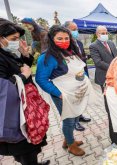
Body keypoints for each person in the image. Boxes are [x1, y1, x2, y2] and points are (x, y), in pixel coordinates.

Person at [36, 25, 94, 156]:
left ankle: (67, 140)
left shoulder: (70, 52)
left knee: (76, 116)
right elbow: (41, 79)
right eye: (60, 38)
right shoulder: (47, 57)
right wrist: (59, 94)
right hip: (63, 95)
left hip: (76, 93)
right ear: (51, 39)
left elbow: (77, 70)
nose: (64, 41)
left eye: (66, 38)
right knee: (69, 120)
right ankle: (71, 146)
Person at [0, 18, 49, 165]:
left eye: (18, 38)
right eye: (13, 39)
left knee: (31, 144)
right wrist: (23, 76)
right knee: (24, 147)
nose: (17, 41)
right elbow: (3, 87)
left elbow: (20, 66)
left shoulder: (6, 52)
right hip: (14, 113)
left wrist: (25, 55)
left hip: (25, 106)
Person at [64, 21, 91, 131]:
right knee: (74, 100)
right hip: (72, 77)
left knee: (81, 98)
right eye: (73, 29)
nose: (76, 32)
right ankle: (75, 122)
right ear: (67, 30)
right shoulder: (66, 44)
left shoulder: (78, 43)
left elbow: (81, 57)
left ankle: (80, 116)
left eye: (76, 29)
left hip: (82, 73)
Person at [89, 26, 117, 112]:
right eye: (102, 33)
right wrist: (113, 67)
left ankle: (116, 110)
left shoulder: (111, 43)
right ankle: (110, 113)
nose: (105, 35)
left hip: (116, 75)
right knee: (108, 96)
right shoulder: (93, 46)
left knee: (116, 95)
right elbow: (98, 62)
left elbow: (116, 56)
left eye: (106, 33)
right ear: (97, 34)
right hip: (104, 76)